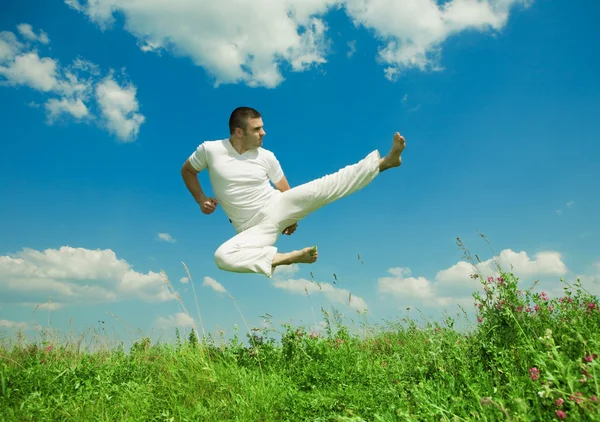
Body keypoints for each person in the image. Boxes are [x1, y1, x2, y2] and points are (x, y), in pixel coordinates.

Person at [181, 106, 405, 278]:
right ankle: (286, 259)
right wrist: (201, 200)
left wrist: (293, 217)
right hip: (254, 229)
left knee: (327, 185)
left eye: (262, 127)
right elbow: (188, 171)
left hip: (277, 206)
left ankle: (385, 162)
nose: (263, 133)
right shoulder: (210, 150)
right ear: (239, 132)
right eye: (257, 129)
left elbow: (285, 190)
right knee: (222, 257)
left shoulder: (266, 156)